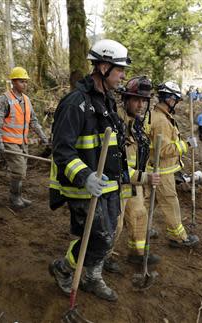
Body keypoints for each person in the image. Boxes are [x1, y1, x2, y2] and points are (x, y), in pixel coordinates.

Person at [48, 39, 130, 302]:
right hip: (83, 188)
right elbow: (61, 150)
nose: (123, 76)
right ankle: (63, 269)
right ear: (104, 67)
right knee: (101, 239)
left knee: (107, 236)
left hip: (109, 187)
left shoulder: (107, 101)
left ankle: (92, 276)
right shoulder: (75, 103)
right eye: (120, 70)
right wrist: (85, 176)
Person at [103, 76, 161, 273]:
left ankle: (137, 253)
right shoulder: (114, 121)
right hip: (117, 183)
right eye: (136, 99)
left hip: (134, 183)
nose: (140, 105)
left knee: (139, 214)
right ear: (126, 99)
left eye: (144, 101)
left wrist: (149, 172)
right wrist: (144, 178)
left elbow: (138, 156)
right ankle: (103, 257)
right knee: (116, 224)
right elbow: (114, 164)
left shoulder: (137, 124)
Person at [144, 81, 199, 248]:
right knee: (170, 202)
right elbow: (165, 149)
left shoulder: (156, 115)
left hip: (154, 168)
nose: (176, 103)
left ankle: (142, 228)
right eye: (175, 99)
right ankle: (178, 237)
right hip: (161, 171)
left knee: (149, 203)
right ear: (168, 98)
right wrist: (186, 145)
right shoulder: (161, 120)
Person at [0, 67, 49, 209]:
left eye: (26, 82)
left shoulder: (26, 100)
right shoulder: (4, 99)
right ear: (14, 82)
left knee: (21, 172)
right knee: (19, 170)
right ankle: (14, 197)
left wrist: (43, 137)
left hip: (22, 142)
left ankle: (19, 196)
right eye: (22, 82)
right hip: (9, 142)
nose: (25, 85)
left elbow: (33, 121)